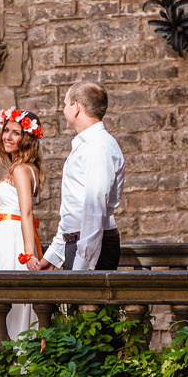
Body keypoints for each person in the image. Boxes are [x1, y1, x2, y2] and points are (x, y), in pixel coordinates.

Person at [38, 81, 125, 272]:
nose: (63, 109)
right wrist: (55, 254)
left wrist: (82, 267)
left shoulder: (97, 147)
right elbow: (74, 209)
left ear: (77, 107)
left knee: (86, 303)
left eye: (65, 103)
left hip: (92, 250)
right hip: (78, 244)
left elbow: (95, 207)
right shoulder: (88, 145)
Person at [0, 106, 45, 339]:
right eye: (6, 130)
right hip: (4, 238)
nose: (7, 136)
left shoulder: (21, 170)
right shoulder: (19, 168)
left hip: (13, 243)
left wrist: (29, 253)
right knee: (4, 308)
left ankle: (21, 366)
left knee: (15, 306)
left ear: (27, 138)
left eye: (16, 132)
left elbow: (27, 213)